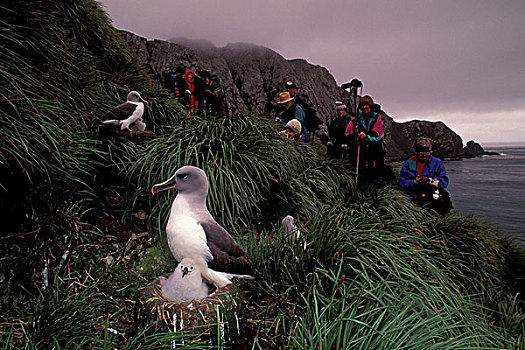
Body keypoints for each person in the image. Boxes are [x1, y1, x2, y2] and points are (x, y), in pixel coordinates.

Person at [399, 136, 453, 215]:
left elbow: (444, 181)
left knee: (443, 201)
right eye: (421, 151)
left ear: (431, 151)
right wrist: (414, 182)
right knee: (405, 203)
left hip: (432, 193)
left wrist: (435, 182)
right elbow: (402, 182)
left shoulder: (437, 163)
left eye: (427, 151)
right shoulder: (409, 163)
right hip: (413, 193)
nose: (424, 154)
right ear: (416, 151)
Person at [344, 95, 384, 173]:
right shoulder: (356, 118)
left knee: (376, 166)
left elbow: (379, 133)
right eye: (362, 105)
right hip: (360, 146)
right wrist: (355, 138)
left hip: (374, 147)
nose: (364, 107)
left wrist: (366, 136)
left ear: (370, 106)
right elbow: (348, 132)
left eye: (366, 105)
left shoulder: (376, 117)